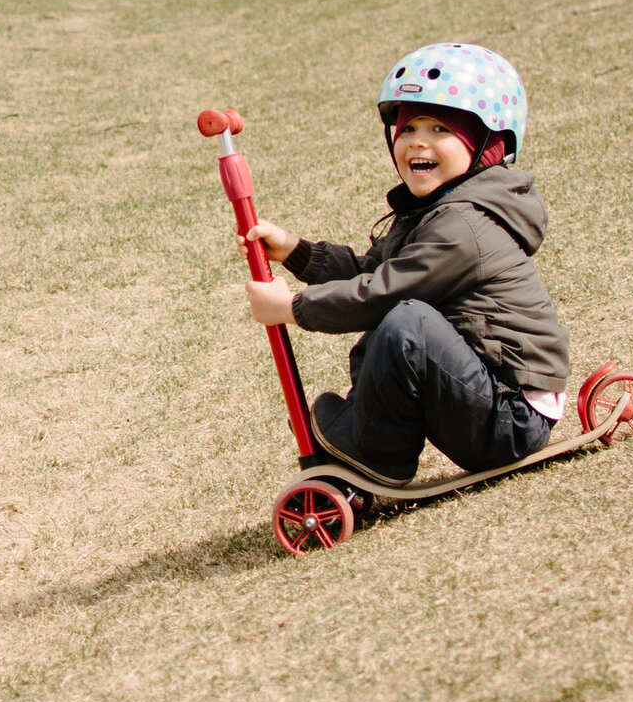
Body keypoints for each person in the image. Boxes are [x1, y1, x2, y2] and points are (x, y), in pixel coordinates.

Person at [240, 43, 571, 485]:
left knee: (405, 320)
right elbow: (370, 272)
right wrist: (296, 251)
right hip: (481, 393)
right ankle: (367, 435)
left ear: (489, 146)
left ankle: (375, 453)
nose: (418, 140)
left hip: (508, 418)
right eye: (408, 126)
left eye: (439, 128)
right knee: (396, 324)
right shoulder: (432, 212)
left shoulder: (465, 226)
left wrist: (293, 308)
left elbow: (386, 291)